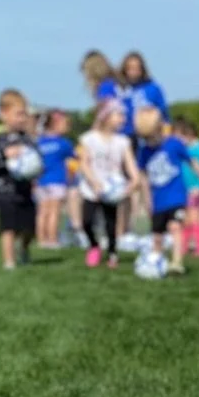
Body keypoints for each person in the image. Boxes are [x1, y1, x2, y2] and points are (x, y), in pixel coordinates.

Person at [76, 98, 138, 269]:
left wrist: (133, 182)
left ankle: (112, 252)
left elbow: (130, 164)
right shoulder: (89, 139)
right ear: (106, 116)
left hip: (113, 189)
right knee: (86, 221)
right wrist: (94, 182)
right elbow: (84, 163)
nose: (123, 119)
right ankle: (94, 245)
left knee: (111, 223)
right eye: (119, 115)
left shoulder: (123, 142)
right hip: (92, 188)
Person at [0, 89, 40, 269]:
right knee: (8, 227)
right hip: (5, 190)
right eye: (18, 114)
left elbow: (37, 158)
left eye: (24, 114)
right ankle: (9, 261)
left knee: (29, 227)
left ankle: (24, 248)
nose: (22, 118)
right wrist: (6, 154)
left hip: (25, 189)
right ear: (4, 114)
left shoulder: (27, 139)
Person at [134, 106, 191, 275]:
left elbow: (192, 162)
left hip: (176, 197)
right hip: (158, 200)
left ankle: (177, 263)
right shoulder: (144, 152)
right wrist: (147, 200)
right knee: (157, 236)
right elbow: (143, 178)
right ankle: (155, 262)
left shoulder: (174, 144)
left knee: (175, 227)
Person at [173, 116, 199, 259]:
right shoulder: (183, 150)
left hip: (196, 189)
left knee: (196, 219)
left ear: (188, 134)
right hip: (184, 189)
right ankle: (184, 248)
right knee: (185, 220)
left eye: (179, 136)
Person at [35, 109, 76, 249]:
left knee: (42, 212)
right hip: (57, 180)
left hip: (41, 181)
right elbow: (74, 158)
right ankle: (52, 240)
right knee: (54, 212)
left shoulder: (38, 142)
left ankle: (41, 239)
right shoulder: (64, 143)